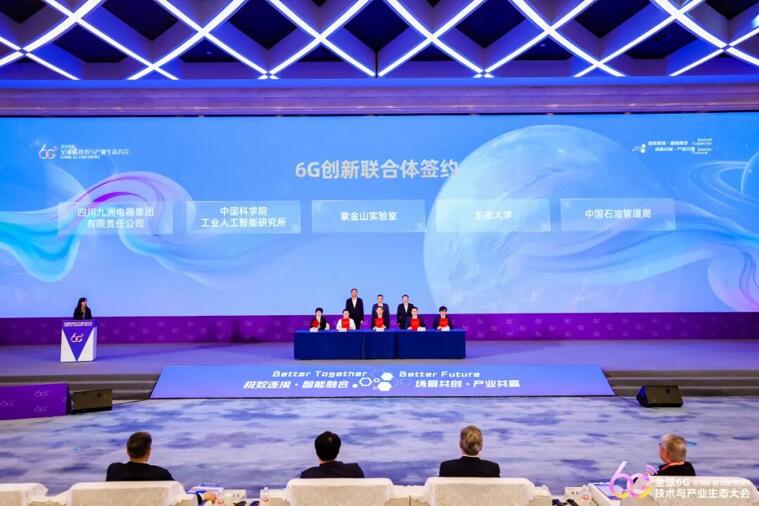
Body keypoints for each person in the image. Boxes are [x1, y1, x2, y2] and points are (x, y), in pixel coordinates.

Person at [106, 432, 218, 504]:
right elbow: (183, 502)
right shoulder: (159, 474)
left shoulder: (114, 470)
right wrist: (203, 496)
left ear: (127, 450)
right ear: (149, 451)